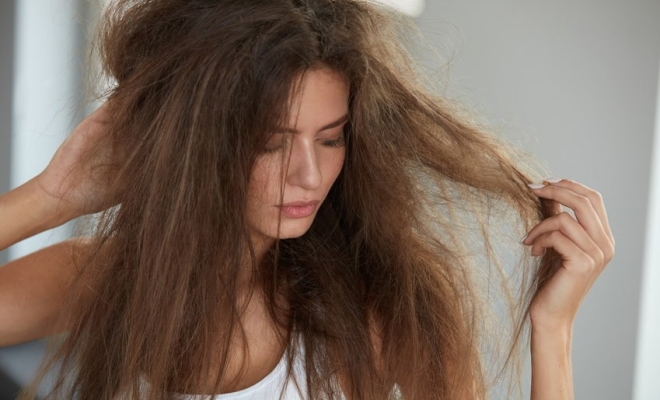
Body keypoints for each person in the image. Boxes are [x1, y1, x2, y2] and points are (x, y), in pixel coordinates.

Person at [0, 0, 615, 399]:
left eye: (331, 138)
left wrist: (552, 329)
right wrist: (51, 197)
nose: (308, 175)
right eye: (270, 144)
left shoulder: (381, 312)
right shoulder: (103, 278)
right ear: (195, 147)